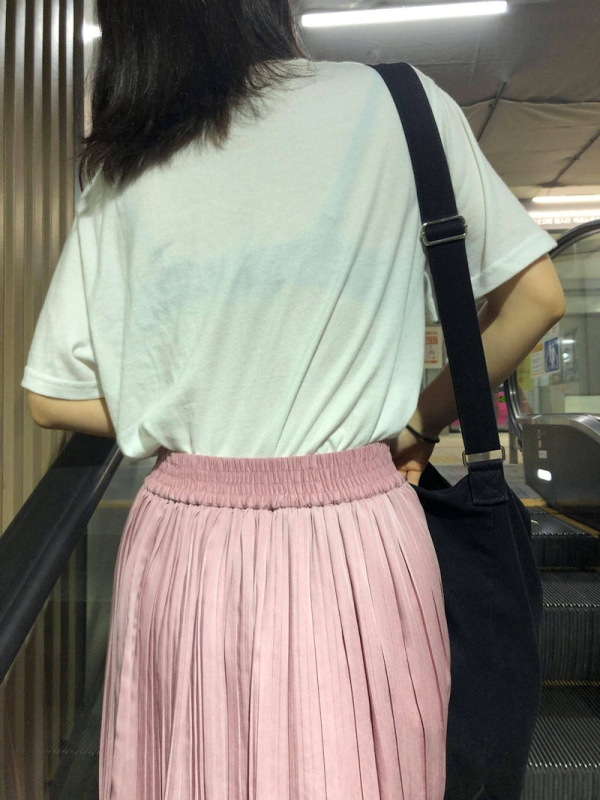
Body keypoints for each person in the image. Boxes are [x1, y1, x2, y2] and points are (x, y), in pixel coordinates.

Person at [22, 0, 565, 797]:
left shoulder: (127, 158)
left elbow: (51, 397)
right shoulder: (400, 104)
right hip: (359, 538)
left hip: (187, 549)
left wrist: (195, 406)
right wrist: (419, 424)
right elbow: (537, 300)